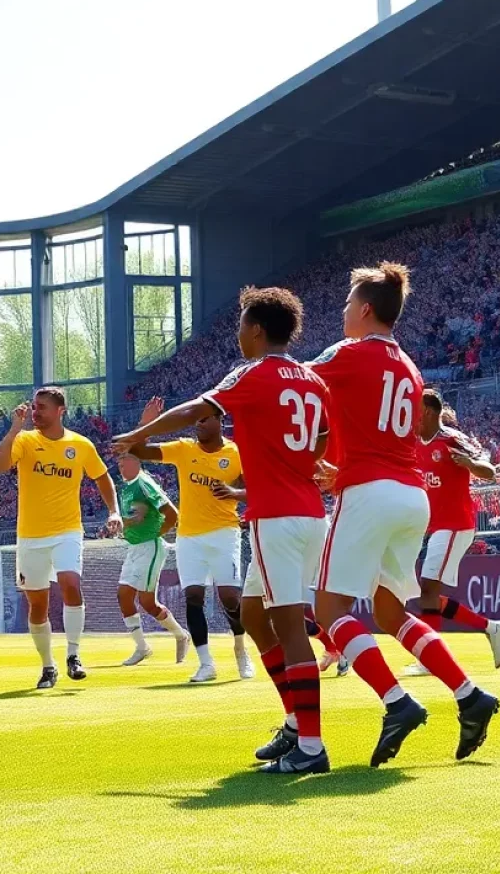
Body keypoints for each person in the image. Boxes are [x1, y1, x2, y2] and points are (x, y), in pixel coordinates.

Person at [116, 287, 332, 773]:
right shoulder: (314, 381)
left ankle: (312, 749)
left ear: (256, 329)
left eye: (241, 325)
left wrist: (141, 435)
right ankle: (296, 723)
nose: (238, 335)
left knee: (289, 628)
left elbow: (197, 409)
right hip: (304, 512)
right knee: (254, 615)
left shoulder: (255, 373)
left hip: (276, 518)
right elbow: (324, 437)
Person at [310, 263, 499, 766]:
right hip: (410, 496)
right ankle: (469, 694)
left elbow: (295, 383)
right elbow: (380, 433)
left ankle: (397, 702)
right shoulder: (411, 368)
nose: (344, 311)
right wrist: (344, 467)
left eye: (349, 303)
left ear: (366, 308)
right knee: (392, 614)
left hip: (371, 495)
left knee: (329, 613)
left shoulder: (350, 353)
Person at [0, 387, 122, 689]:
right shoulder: (24, 440)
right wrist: (14, 428)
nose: (35, 412)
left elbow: (102, 477)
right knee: (38, 606)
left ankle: (74, 655)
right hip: (30, 536)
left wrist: (113, 511)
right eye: (34, 407)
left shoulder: (80, 445)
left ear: (60, 410)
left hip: (67, 531)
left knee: (70, 583)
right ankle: (48, 666)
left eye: (42, 407)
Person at [122, 400, 253, 683]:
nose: (199, 424)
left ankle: (241, 649)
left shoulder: (236, 454)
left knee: (230, 598)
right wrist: (146, 424)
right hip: (189, 536)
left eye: (205, 419)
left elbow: (253, 491)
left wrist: (232, 491)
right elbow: (137, 450)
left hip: (224, 533)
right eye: (197, 420)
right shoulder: (183, 449)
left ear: (220, 420)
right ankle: (206, 663)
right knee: (193, 597)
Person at [409, 389, 500, 675]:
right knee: (427, 593)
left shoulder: (451, 439)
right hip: (433, 525)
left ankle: (429, 659)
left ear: (427, 411)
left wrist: (469, 464)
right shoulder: (415, 443)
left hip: (455, 524)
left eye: (415, 408)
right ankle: (490, 627)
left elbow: (488, 470)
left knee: (427, 587)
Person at [114, 453, 188, 666]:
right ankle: (173, 638)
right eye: (119, 462)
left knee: (129, 596)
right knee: (140, 601)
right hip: (134, 548)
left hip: (149, 547)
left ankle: (152, 644)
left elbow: (172, 514)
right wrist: (122, 524)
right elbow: (137, 517)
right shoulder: (127, 488)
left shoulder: (144, 483)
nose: (120, 465)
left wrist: (157, 535)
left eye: (125, 460)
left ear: (137, 461)